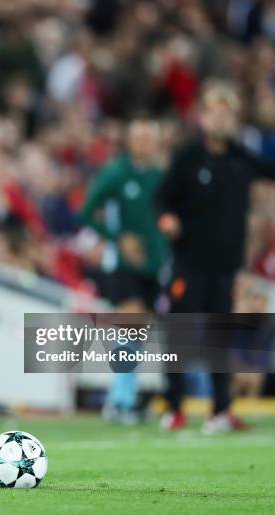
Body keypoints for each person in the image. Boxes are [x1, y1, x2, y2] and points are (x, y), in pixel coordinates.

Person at [157, 83, 275, 433]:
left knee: (219, 337)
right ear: (203, 116)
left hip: (226, 266)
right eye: (215, 112)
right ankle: (174, 407)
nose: (221, 119)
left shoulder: (242, 157)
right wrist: (167, 218)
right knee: (179, 334)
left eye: (227, 113)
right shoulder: (187, 157)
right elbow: (162, 199)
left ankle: (220, 410)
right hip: (188, 262)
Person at [79, 119, 167, 424]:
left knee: (137, 334)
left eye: (149, 137)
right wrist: (118, 237)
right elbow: (86, 212)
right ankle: (121, 402)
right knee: (132, 327)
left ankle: (120, 399)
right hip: (123, 265)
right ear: (130, 142)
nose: (145, 143)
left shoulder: (161, 176)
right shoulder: (116, 173)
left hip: (154, 266)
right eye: (140, 137)